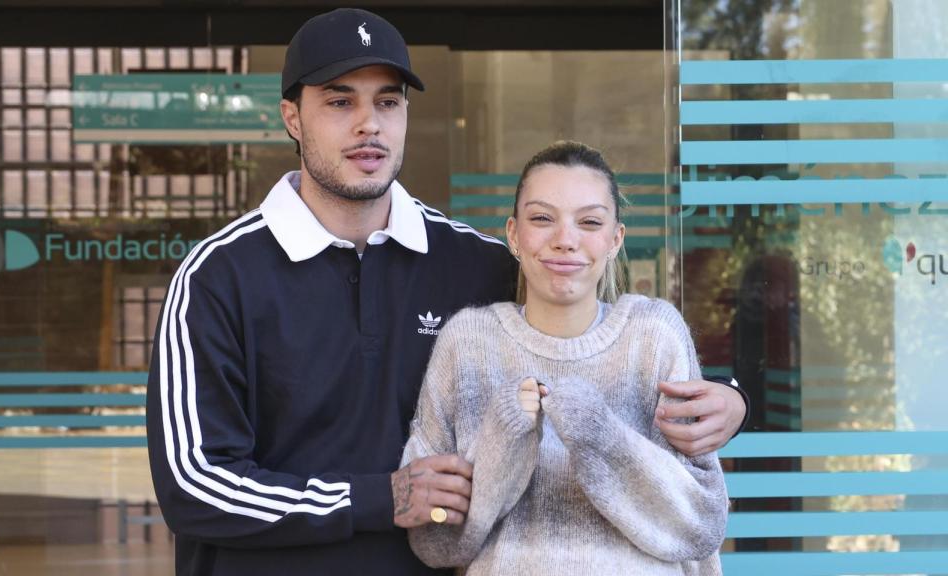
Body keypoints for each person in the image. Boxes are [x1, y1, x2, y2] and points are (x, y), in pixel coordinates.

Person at [145, 8, 745, 576]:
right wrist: (379, 498)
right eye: (338, 101)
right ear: (292, 118)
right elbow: (195, 487)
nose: (368, 124)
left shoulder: (476, 263)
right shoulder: (219, 277)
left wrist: (731, 399)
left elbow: (600, 338)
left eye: (388, 101)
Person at [402, 141, 728, 575]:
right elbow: (434, 540)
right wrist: (502, 442)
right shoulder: (467, 343)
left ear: (615, 239)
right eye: (542, 219)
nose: (565, 240)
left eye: (589, 222)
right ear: (514, 234)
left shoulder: (654, 335)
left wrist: (600, 435)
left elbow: (701, 524)